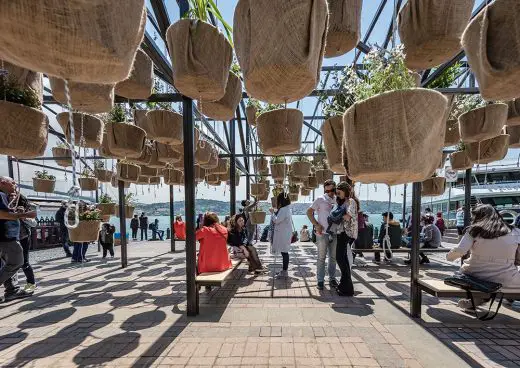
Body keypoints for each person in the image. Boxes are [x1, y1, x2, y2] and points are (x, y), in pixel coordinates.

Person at [446, 204, 520, 310]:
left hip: (475, 276)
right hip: (506, 278)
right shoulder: (515, 231)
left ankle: (479, 299)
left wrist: (449, 257)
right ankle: (481, 299)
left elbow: (460, 251)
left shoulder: (473, 231)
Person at [0, 177, 37, 301]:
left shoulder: (6, 198)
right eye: (13, 182)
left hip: (15, 236)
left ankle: (17, 289)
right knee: (16, 263)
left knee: (15, 263)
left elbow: (6, 214)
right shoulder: (1, 196)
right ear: (3, 183)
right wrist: (23, 214)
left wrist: (20, 214)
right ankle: (12, 290)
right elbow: (3, 214)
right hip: (6, 237)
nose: (15, 185)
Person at [307, 179, 337, 291]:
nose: (330, 192)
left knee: (333, 258)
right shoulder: (320, 199)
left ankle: (332, 278)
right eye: (328, 190)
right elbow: (309, 212)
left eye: (332, 190)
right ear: (325, 189)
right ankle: (320, 280)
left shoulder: (337, 199)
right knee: (321, 258)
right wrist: (316, 224)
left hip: (335, 232)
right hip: (322, 233)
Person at [332, 182, 358, 296]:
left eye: (339, 192)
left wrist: (337, 214)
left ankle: (347, 287)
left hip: (347, 232)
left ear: (345, 191)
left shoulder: (351, 201)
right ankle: (345, 286)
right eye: (337, 192)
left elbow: (348, 217)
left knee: (340, 258)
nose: (337, 194)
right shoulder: (341, 202)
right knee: (343, 259)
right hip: (341, 232)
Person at [16, 193, 37, 293]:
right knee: (7, 263)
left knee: (24, 262)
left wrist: (23, 217)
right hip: (8, 238)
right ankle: (12, 287)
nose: (12, 197)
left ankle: (31, 284)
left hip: (22, 237)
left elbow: (34, 223)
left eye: (14, 196)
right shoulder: (5, 205)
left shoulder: (25, 208)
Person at [270, 192, 293, 279]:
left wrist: (272, 213)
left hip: (283, 234)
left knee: (284, 252)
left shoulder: (283, 209)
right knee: (285, 252)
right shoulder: (287, 208)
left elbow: (277, 220)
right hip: (285, 233)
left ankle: (284, 271)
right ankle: (284, 270)